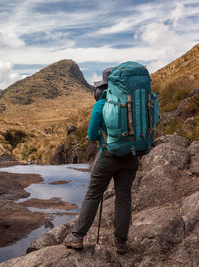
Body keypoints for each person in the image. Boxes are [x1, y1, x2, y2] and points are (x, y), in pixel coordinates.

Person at [63, 67, 139, 254]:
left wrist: (105, 136)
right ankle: (120, 242)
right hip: (131, 157)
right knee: (124, 197)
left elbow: (91, 135)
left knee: (93, 194)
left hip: (107, 157)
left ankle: (78, 237)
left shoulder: (102, 104)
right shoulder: (136, 102)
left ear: (105, 84)